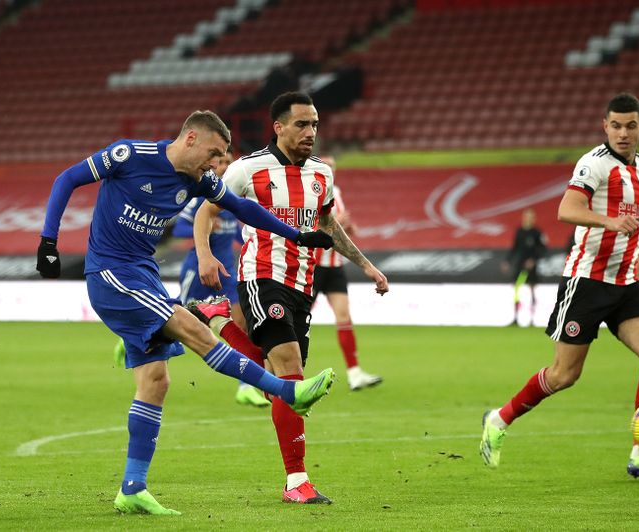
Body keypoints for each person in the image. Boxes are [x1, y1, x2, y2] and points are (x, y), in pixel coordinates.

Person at [36, 110, 337, 516]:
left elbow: (242, 208)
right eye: (213, 154)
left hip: (143, 274)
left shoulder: (198, 181)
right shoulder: (129, 155)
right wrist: (48, 242)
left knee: (156, 381)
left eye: (221, 158)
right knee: (191, 327)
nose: (215, 165)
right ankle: (286, 390)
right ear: (191, 138)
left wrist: (296, 234)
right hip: (110, 273)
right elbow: (66, 180)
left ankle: (132, 487)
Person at [192, 92, 389, 504]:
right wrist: (206, 255)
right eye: (302, 124)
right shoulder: (248, 169)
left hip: (304, 284)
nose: (310, 132)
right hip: (262, 276)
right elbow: (206, 212)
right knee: (291, 376)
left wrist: (367, 265)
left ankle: (219, 322)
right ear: (278, 127)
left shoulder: (322, 175)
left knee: (278, 388)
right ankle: (296, 481)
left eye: (315, 124)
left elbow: (329, 225)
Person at [480, 93, 639, 479]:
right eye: (615, 125)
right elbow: (566, 210)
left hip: (625, 281)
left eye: (630, 126)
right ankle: (499, 419)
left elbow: (637, 217)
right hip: (587, 282)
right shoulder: (594, 164)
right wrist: (608, 222)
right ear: (605, 126)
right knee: (564, 375)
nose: (622, 133)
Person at [111, 151, 270, 407]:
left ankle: (245, 387)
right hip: (196, 271)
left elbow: (239, 237)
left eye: (230, 162)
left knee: (240, 324)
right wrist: (208, 227)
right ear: (213, 165)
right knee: (172, 319)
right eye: (223, 162)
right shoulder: (201, 199)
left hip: (225, 272)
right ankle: (132, 337)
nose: (226, 166)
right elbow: (181, 228)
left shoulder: (228, 203)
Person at [311, 155, 382, 390]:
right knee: (298, 321)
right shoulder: (311, 191)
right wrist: (334, 223)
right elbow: (308, 224)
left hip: (334, 265)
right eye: (327, 168)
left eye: (333, 168)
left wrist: (346, 226)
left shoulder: (336, 192)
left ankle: (354, 373)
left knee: (344, 317)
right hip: (314, 265)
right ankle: (281, 372)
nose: (331, 171)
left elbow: (337, 226)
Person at [501, 208, 547, 326]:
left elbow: (543, 249)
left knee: (532, 290)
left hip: (531, 267)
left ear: (534, 219)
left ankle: (532, 319)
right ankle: (516, 318)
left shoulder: (537, 233)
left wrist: (533, 260)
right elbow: (515, 248)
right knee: (517, 289)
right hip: (520, 266)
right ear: (524, 218)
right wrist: (507, 260)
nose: (529, 219)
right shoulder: (519, 231)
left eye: (531, 217)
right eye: (527, 216)